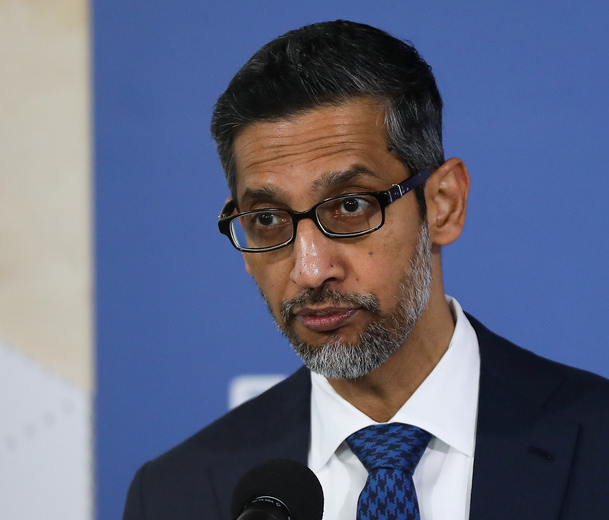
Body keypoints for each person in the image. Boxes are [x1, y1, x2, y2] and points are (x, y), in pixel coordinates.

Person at [122, 20, 609, 520]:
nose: (311, 271)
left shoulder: (597, 443)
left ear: (442, 204)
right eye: (267, 220)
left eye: (350, 206)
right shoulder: (174, 494)